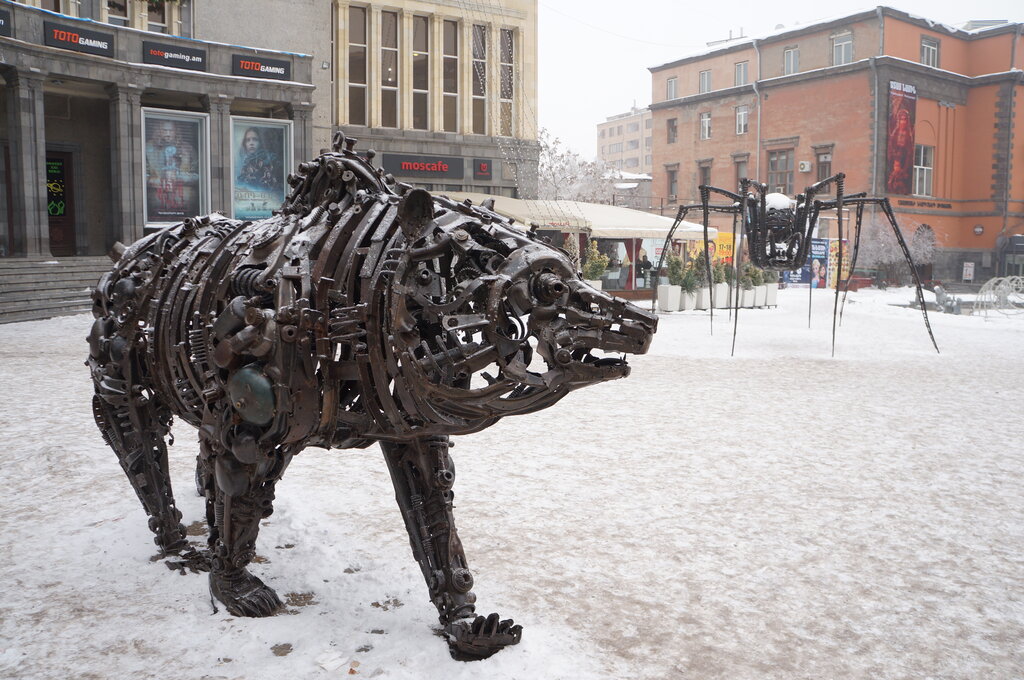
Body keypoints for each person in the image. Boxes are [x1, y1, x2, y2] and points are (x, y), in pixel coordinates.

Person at [145, 119, 199, 218]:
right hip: (156, 201)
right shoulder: (148, 148)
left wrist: (180, 177)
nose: (168, 134)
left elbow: (200, 175)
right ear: (159, 131)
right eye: (165, 131)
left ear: (176, 131)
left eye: (171, 131)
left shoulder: (187, 148)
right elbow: (139, 175)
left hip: (183, 201)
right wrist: (152, 179)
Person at [237, 127, 282, 191]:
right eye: (248, 140)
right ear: (245, 144)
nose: (251, 143)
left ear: (260, 142)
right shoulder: (246, 163)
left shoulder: (271, 159)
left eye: (255, 139)